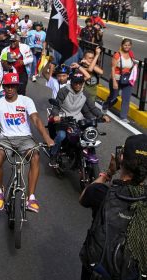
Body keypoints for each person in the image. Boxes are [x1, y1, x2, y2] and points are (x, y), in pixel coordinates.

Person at [0, 73, 54, 213]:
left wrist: (47, 138)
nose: (10, 89)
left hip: (25, 138)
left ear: (17, 87)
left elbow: (36, 120)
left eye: (13, 86)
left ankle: (31, 197)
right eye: (7, 86)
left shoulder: (26, 101)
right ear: (3, 87)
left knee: (35, 156)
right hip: (5, 139)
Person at [79, 134, 147, 280]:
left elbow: (83, 197)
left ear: (121, 158)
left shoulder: (101, 192)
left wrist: (108, 173)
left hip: (97, 271)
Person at [48, 71, 110, 167]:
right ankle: (53, 154)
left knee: (87, 135)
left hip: (78, 120)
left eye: (80, 83)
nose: (77, 85)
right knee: (61, 136)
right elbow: (56, 107)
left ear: (83, 83)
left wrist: (102, 116)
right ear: (71, 82)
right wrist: (56, 115)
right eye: (75, 82)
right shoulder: (64, 91)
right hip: (63, 119)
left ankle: (84, 154)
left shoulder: (85, 93)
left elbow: (92, 107)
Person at [102, 38, 136, 123]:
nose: (127, 47)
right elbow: (113, 69)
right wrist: (114, 81)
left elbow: (132, 65)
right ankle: (106, 105)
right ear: (122, 45)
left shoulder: (131, 54)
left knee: (126, 98)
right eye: (125, 45)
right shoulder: (117, 55)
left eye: (128, 45)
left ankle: (123, 116)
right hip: (116, 78)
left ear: (131, 46)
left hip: (127, 79)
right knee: (113, 96)